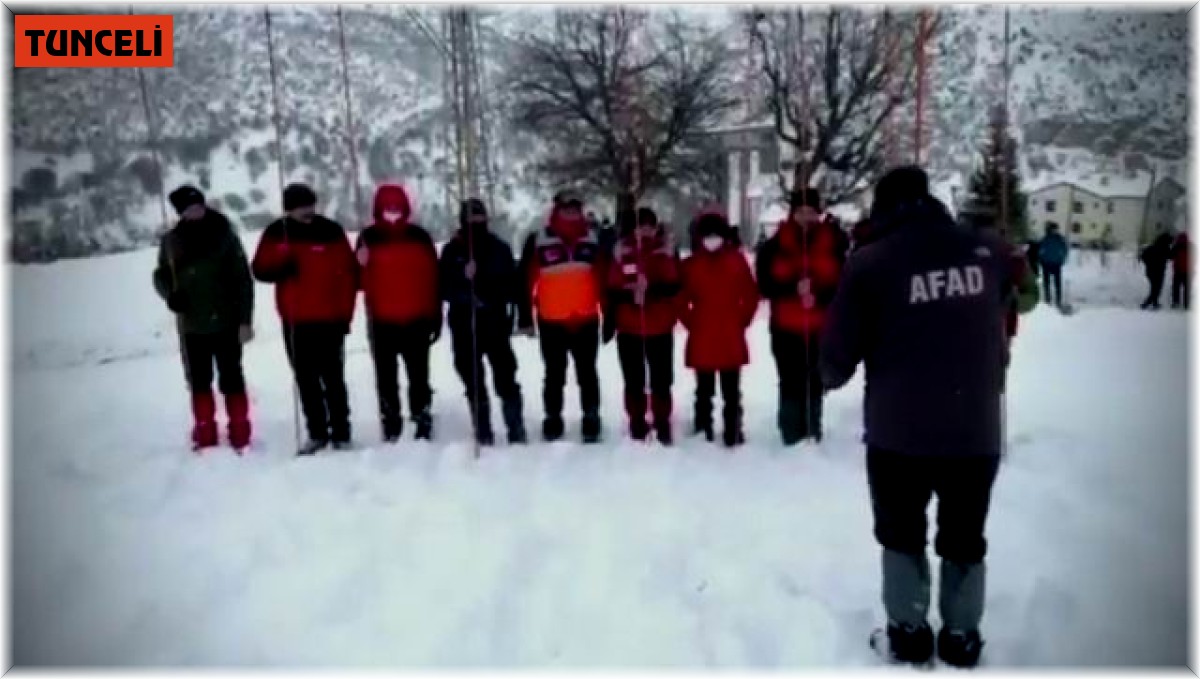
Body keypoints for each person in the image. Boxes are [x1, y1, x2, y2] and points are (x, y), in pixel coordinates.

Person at [820, 166, 1013, 668]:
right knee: (965, 535)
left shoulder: (870, 263)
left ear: (882, 208)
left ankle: (908, 631)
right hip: (975, 428)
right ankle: (962, 635)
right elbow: (1006, 312)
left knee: (902, 533)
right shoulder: (987, 251)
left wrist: (822, 363)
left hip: (899, 432)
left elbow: (835, 364)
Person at [252, 183, 358, 455]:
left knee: (334, 379)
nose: (308, 211)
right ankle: (317, 432)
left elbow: (348, 275)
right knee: (306, 380)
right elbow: (260, 270)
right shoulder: (278, 232)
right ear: (289, 209)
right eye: (301, 207)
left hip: (330, 319)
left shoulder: (331, 231)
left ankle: (342, 432)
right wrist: (281, 263)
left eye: (311, 205)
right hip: (295, 320)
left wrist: (345, 316)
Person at [153, 185, 255, 453]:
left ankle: (240, 430)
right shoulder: (171, 241)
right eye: (189, 209)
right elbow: (161, 274)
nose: (196, 212)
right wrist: (170, 295)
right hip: (191, 324)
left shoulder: (224, 235)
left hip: (227, 321)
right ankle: (205, 430)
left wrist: (245, 320)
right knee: (199, 380)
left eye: (198, 206)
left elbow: (243, 279)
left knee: (231, 377)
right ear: (181, 213)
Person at [756, 187, 845, 445]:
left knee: (816, 379)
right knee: (790, 379)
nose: (806, 217)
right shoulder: (774, 246)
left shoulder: (834, 243)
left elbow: (844, 283)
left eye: (811, 212)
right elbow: (765, 284)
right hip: (785, 326)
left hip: (821, 326)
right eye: (801, 212)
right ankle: (790, 430)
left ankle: (812, 428)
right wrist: (792, 289)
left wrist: (819, 294)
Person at [517, 190, 608, 443]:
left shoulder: (593, 238)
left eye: (575, 208)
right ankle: (553, 417)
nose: (571, 213)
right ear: (556, 210)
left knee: (587, 373)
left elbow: (604, 277)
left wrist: (609, 314)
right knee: (554, 374)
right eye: (566, 208)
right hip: (552, 320)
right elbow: (524, 280)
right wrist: (525, 317)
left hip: (586, 318)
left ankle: (591, 417)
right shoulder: (538, 240)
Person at [356, 182, 441, 442]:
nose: (392, 212)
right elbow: (358, 280)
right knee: (386, 376)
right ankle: (391, 420)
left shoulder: (420, 237)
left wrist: (436, 315)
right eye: (387, 208)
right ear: (378, 209)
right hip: (382, 320)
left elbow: (433, 279)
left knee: (419, 374)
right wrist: (359, 264)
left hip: (417, 318)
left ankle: (422, 416)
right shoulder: (368, 238)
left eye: (396, 207)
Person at [439, 198, 527, 445]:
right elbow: (443, 288)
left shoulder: (499, 248)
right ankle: (483, 429)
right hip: (464, 323)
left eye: (480, 218)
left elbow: (512, 285)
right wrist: (462, 279)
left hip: (495, 322)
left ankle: (515, 426)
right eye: (471, 219)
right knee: (472, 378)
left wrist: (487, 282)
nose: (476, 222)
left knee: (506, 376)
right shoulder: (452, 250)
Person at [678, 209, 759, 447]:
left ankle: (733, 429)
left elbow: (751, 295)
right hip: (704, 331)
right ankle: (704, 426)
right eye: (708, 235)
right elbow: (681, 299)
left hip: (729, 333)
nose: (712, 240)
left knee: (731, 390)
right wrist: (691, 321)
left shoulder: (736, 260)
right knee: (704, 389)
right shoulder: (691, 265)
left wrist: (741, 320)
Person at [605, 206, 682, 444]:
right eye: (641, 225)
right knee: (633, 378)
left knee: (661, 378)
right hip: (630, 327)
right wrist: (630, 294)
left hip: (659, 325)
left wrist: (651, 290)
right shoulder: (623, 251)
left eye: (650, 226)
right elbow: (613, 286)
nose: (645, 230)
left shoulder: (663, 251)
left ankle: (662, 418)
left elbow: (673, 284)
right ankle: (636, 418)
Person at [1139, 232, 1174, 310]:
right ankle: (1145, 304)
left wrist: (1148, 264)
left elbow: (1143, 256)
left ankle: (1154, 303)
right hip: (1159, 272)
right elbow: (1171, 256)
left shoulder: (1152, 247)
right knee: (1156, 289)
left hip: (1150, 271)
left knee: (1154, 288)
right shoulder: (1165, 248)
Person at [1037, 224, 1069, 308]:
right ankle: (1057, 299)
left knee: (1047, 282)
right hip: (1055, 263)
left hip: (1047, 263)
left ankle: (1048, 298)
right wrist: (1062, 260)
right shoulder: (1059, 239)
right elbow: (1065, 250)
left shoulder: (1046, 239)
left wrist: (1041, 260)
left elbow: (1040, 251)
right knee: (1057, 283)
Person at [1171, 231, 1190, 310]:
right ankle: (1186, 304)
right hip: (1188, 271)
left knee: (1176, 287)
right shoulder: (1191, 246)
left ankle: (1176, 302)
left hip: (1178, 270)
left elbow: (1171, 256)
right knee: (1187, 289)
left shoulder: (1176, 246)